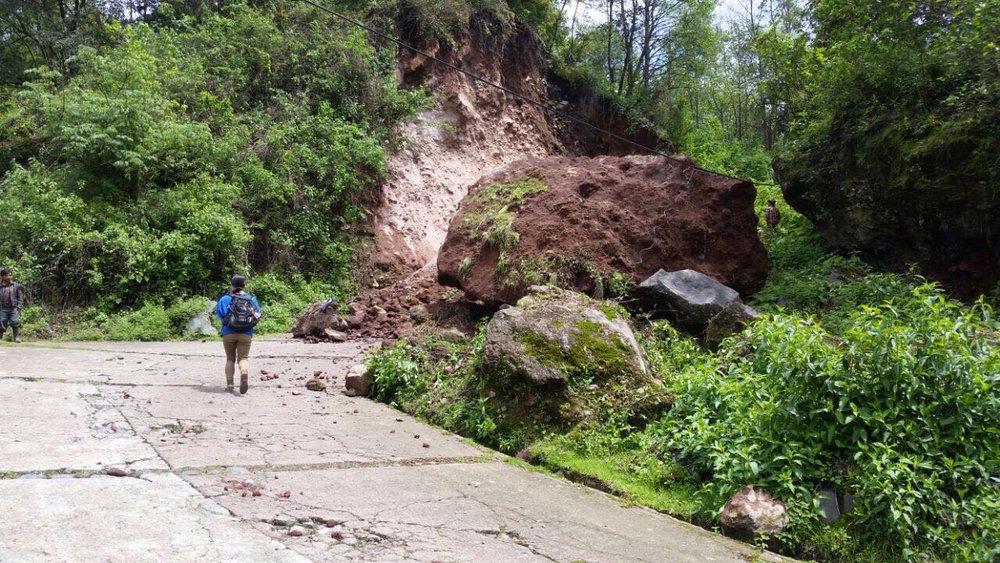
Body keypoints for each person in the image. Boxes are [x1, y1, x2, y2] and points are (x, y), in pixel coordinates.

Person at [214, 274, 261, 394]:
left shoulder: (224, 299)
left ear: (232, 285)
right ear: (244, 285)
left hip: (228, 333)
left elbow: (219, 314)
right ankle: (244, 373)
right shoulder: (251, 299)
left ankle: (230, 385)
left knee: (230, 359)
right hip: (246, 333)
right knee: (243, 358)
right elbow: (257, 315)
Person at [0, 268, 25, 343]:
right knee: (2, 322)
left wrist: (19, 306)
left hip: (13, 307)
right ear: (3, 276)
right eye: (8, 275)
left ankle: (16, 337)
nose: (10, 277)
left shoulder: (16, 285)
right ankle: (0, 336)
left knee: (15, 322)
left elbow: (20, 296)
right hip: (2, 307)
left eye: (10, 275)